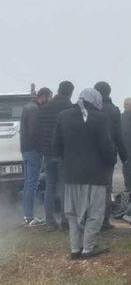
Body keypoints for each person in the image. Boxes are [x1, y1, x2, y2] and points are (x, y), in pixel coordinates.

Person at [53, 88, 115, 259]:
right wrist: (111, 161)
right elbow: (107, 146)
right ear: (95, 100)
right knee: (94, 212)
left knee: (72, 213)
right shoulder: (100, 117)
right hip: (95, 174)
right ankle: (88, 248)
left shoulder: (63, 116)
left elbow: (56, 146)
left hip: (71, 174)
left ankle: (75, 248)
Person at [38, 81, 74, 231]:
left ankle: (50, 221)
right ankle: (65, 220)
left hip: (47, 151)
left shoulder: (44, 108)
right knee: (65, 186)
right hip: (63, 152)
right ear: (71, 92)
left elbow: (40, 130)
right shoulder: (70, 108)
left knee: (50, 186)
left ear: (58, 90)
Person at [94, 82, 129, 230]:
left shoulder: (93, 109)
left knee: (92, 187)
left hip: (92, 153)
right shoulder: (114, 110)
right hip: (109, 153)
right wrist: (124, 155)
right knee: (106, 187)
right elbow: (119, 135)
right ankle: (104, 220)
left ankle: (92, 218)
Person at [20, 87, 52, 227]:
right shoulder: (34, 109)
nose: (49, 101)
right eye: (49, 97)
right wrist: (41, 147)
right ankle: (29, 216)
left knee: (28, 183)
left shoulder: (28, 106)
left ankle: (28, 215)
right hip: (33, 149)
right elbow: (34, 131)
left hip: (26, 149)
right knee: (32, 183)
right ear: (44, 96)